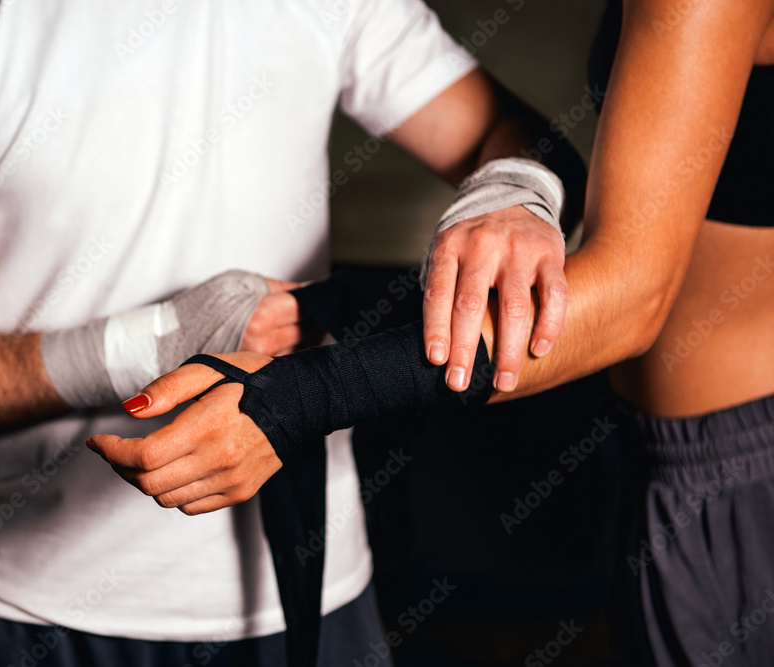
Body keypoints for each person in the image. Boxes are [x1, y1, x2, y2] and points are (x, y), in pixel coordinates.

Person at [0, 1, 584, 665]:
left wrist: (513, 196)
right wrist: (150, 344)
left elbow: (514, 136)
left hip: (313, 588)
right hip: (41, 608)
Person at [88, 0, 774, 664]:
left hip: (736, 471)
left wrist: (299, 398)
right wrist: (338, 312)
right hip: (686, 446)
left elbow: (632, 299)